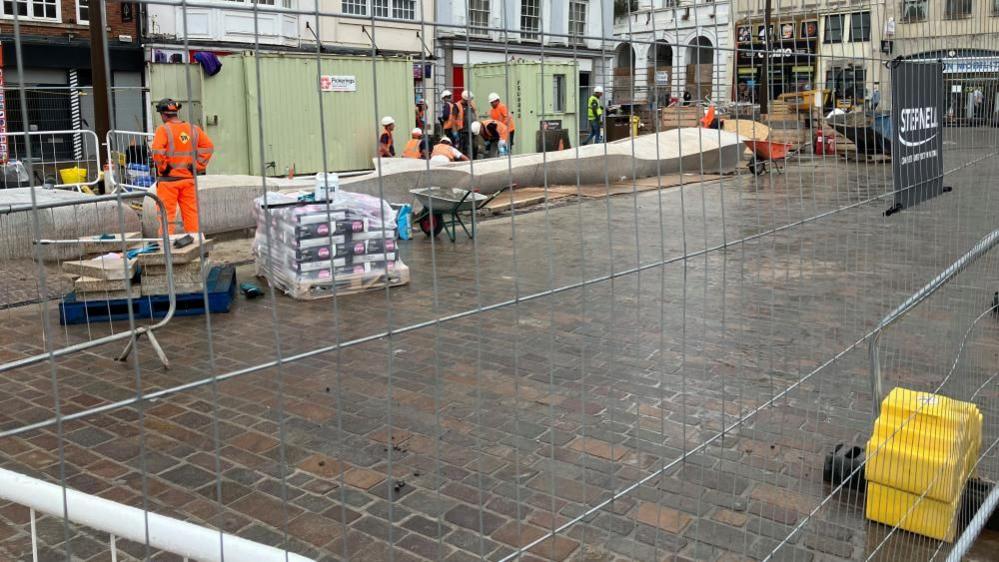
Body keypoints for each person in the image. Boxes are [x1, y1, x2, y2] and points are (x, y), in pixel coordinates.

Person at [150, 98, 214, 235]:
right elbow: (208, 147)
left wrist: (163, 168)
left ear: (163, 114)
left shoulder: (163, 130)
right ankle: (197, 244)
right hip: (188, 180)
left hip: (169, 182)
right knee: (192, 215)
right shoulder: (193, 129)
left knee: (166, 216)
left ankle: (166, 248)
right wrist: (197, 166)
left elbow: (157, 151)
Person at [459, 91, 478, 156]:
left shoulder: (471, 105)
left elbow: (475, 114)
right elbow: (454, 118)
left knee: (474, 146)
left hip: (473, 130)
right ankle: (465, 159)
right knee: (465, 147)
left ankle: (474, 159)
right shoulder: (459, 105)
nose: (470, 101)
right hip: (464, 130)